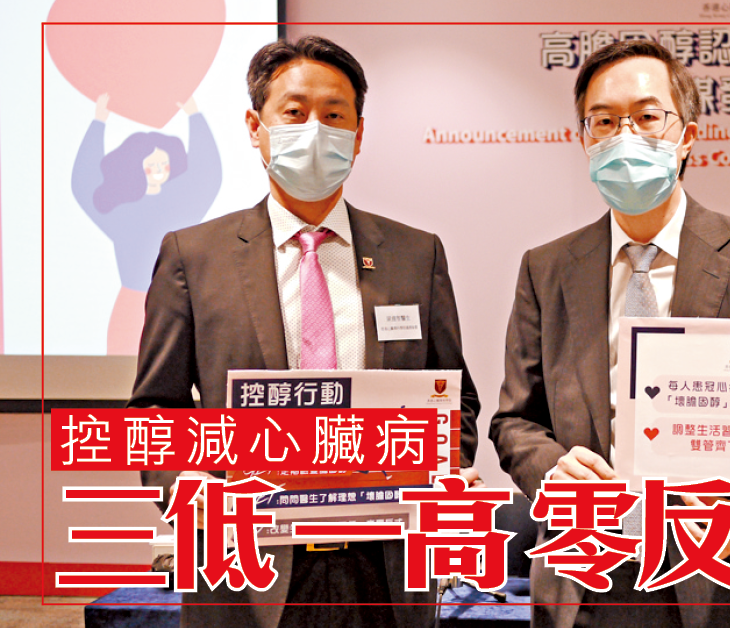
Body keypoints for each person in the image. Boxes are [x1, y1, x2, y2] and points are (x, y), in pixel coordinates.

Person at [129, 35, 480, 628]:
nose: (315, 129)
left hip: (387, 567)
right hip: (245, 564)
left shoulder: (415, 254)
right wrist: (186, 487)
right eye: (294, 112)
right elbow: (156, 410)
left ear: (359, 135)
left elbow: (455, 397)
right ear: (256, 126)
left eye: (334, 115)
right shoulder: (195, 255)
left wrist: (447, 465)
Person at [489, 39, 730, 628]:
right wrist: (553, 469)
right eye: (605, 121)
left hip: (716, 571)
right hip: (582, 573)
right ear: (584, 140)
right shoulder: (547, 268)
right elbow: (514, 421)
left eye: (646, 116)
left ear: (687, 136)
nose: (624, 135)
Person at [71, 93, 221, 354]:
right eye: (151, 165)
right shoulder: (121, 211)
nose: (159, 170)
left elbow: (207, 173)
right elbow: (85, 184)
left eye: (164, 164)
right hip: (132, 304)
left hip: (183, 306)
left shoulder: (182, 204)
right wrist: (98, 123)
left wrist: (195, 117)